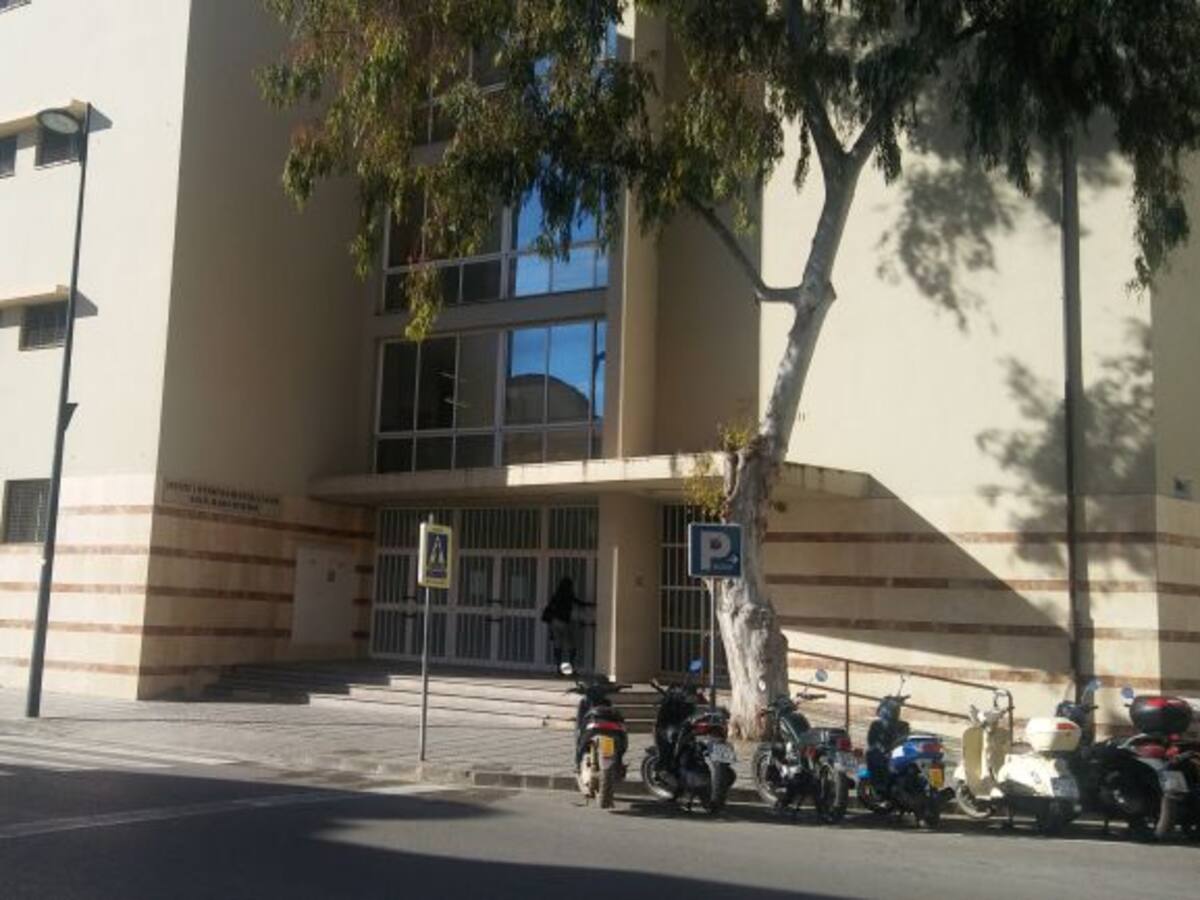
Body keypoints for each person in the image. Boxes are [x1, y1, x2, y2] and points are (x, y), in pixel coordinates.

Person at [543, 576, 580, 675]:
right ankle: (570, 668)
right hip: (564, 622)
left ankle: (559, 668)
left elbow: (550, 607)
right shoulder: (569, 595)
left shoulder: (556, 595)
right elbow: (577, 602)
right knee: (571, 646)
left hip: (555, 622)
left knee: (558, 645)